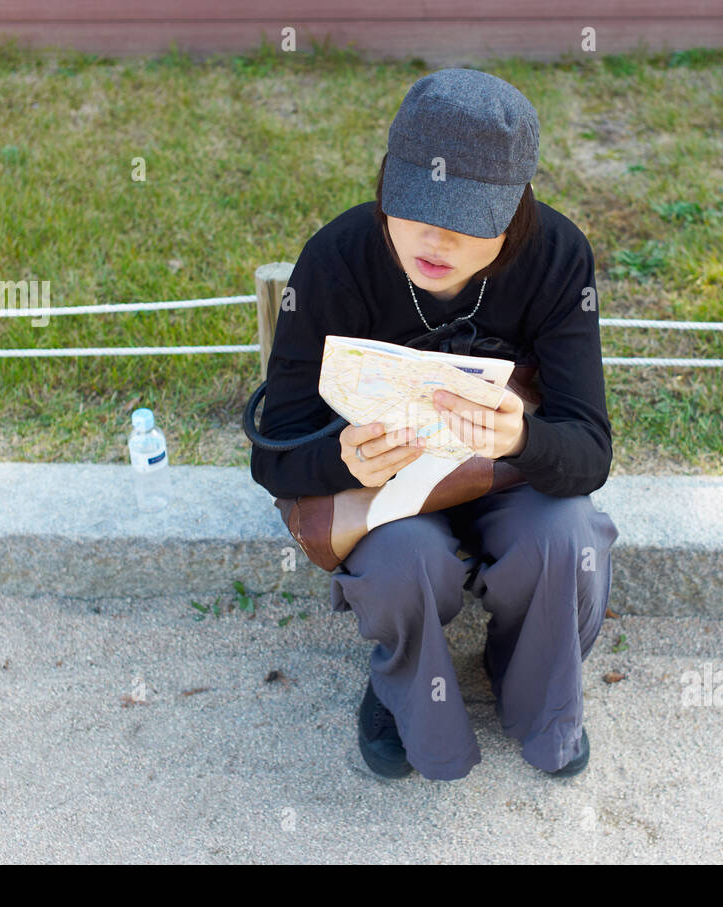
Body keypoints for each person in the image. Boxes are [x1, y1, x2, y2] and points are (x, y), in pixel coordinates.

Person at [250, 68, 620, 780]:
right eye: (415, 204)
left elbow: (589, 452)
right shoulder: (341, 257)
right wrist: (341, 461)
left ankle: (538, 690)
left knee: (568, 538)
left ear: (514, 215)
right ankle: (404, 682)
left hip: (510, 476)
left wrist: (520, 437)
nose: (434, 236)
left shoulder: (556, 256)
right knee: (401, 565)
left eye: (467, 219)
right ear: (388, 184)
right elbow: (274, 456)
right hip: (390, 490)